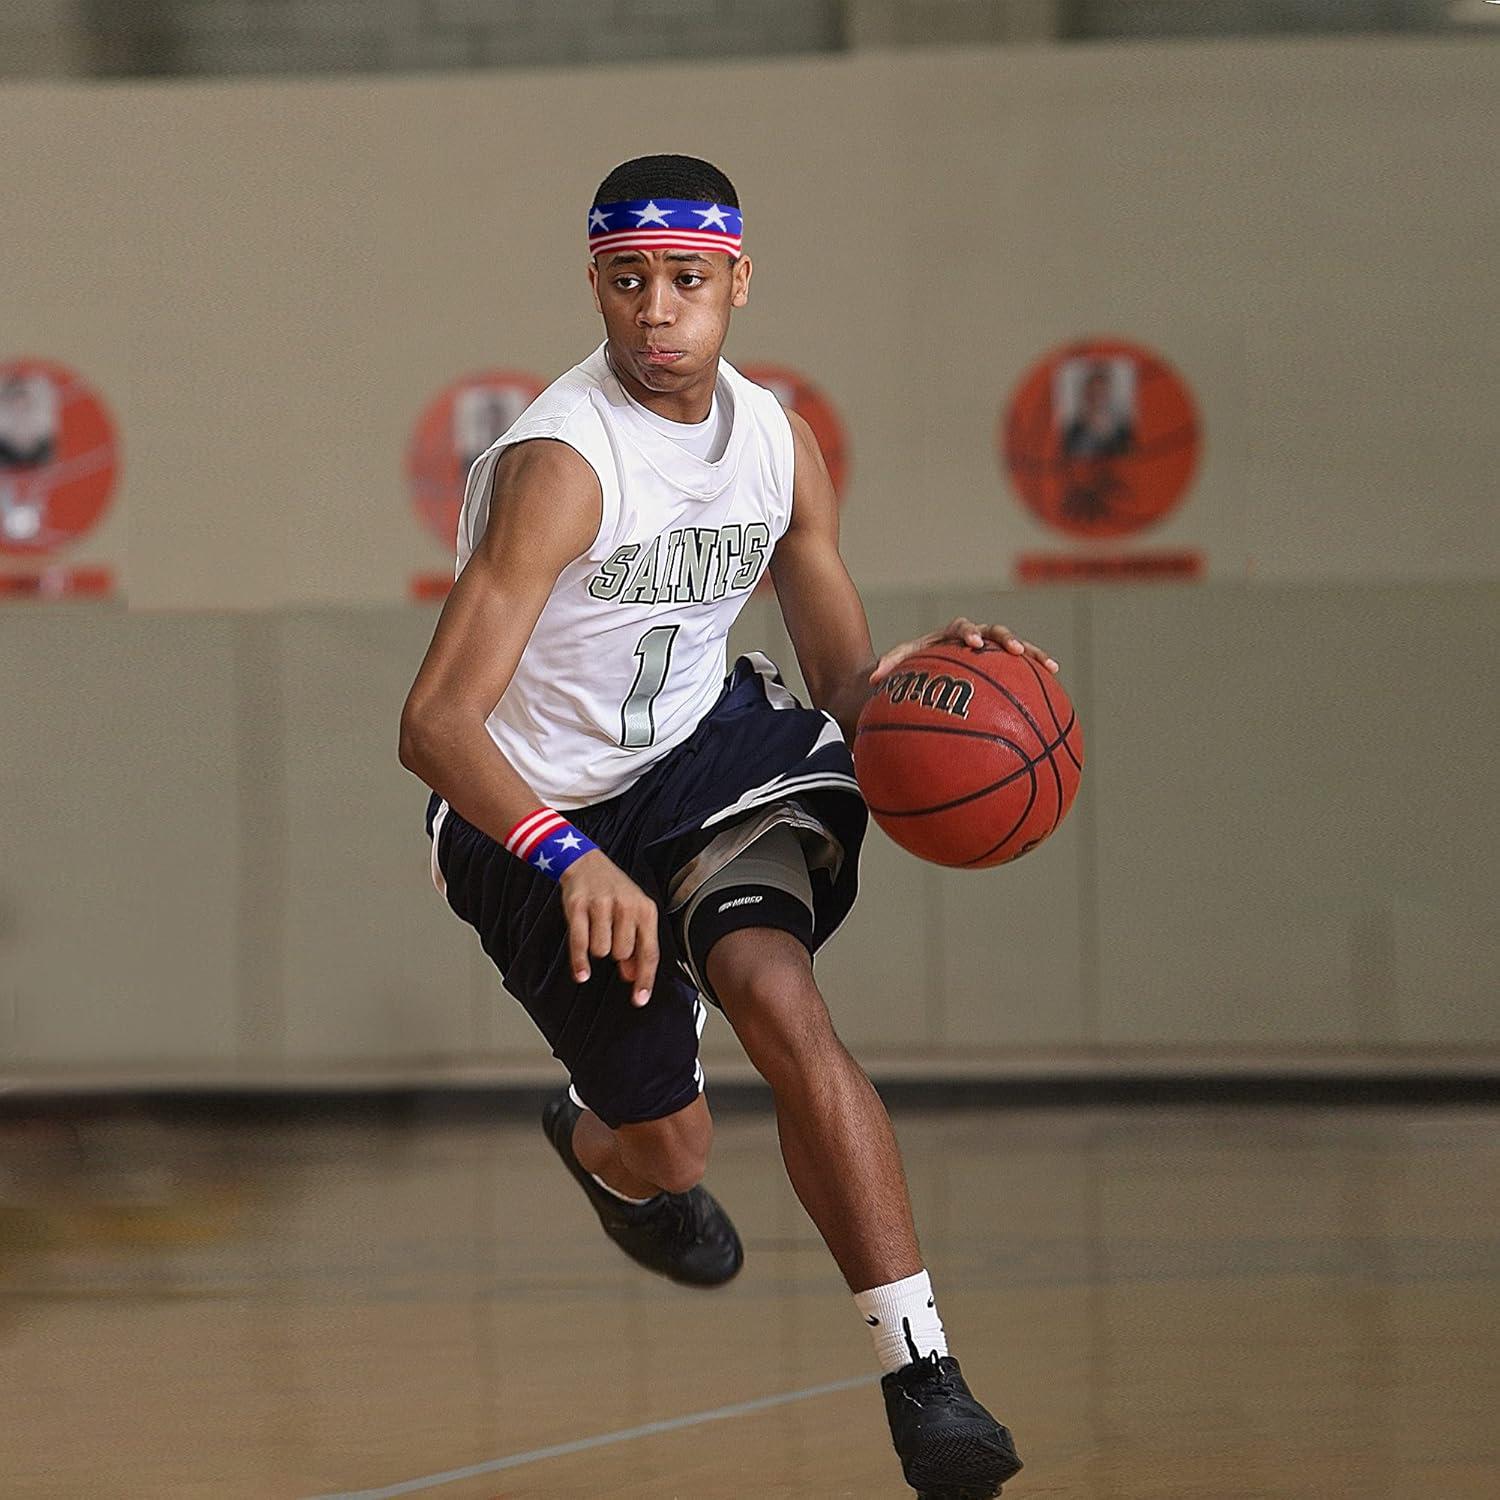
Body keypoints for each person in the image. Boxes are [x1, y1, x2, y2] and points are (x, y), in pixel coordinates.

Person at [399, 154, 1058, 1499]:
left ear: (738, 286)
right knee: (672, 1146)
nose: (656, 312)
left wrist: (936, 686)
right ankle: (604, 1147)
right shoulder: (559, 468)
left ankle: (922, 1375)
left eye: (687, 283)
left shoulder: (779, 445)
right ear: (596, 283)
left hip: (704, 757)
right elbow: (436, 725)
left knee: (777, 994)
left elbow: (847, 691)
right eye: (628, 281)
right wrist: (563, 854)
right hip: (529, 809)